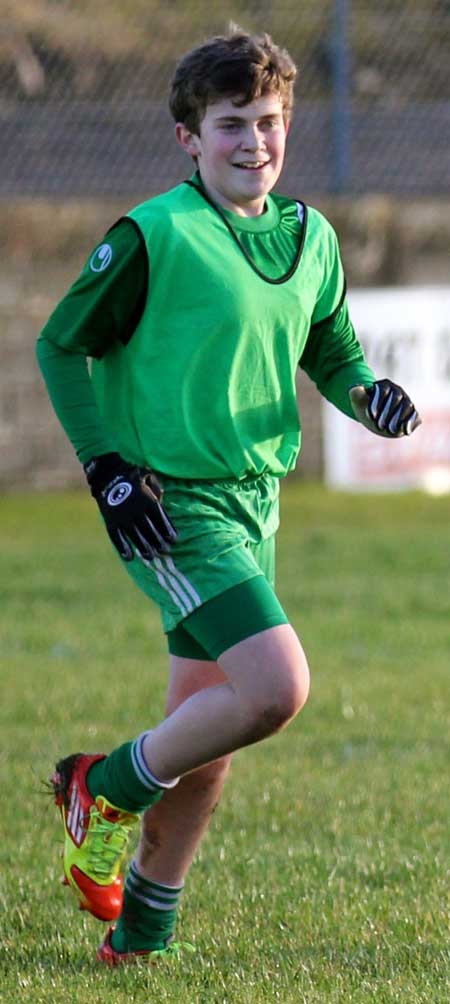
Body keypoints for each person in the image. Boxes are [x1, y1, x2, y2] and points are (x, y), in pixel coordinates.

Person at [36, 25, 421, 967]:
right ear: (188, 138)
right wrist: (107, 467)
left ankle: (142, 937)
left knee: (207, 740)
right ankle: (103, 783)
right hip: (169, 503)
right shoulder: (155, 234)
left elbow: (328, 346)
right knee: (277, 687)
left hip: (256, 502)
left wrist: (365, 392)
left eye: (272, 122)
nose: (256, 142)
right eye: (233, 124)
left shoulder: (310, 235)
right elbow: (60, 345)